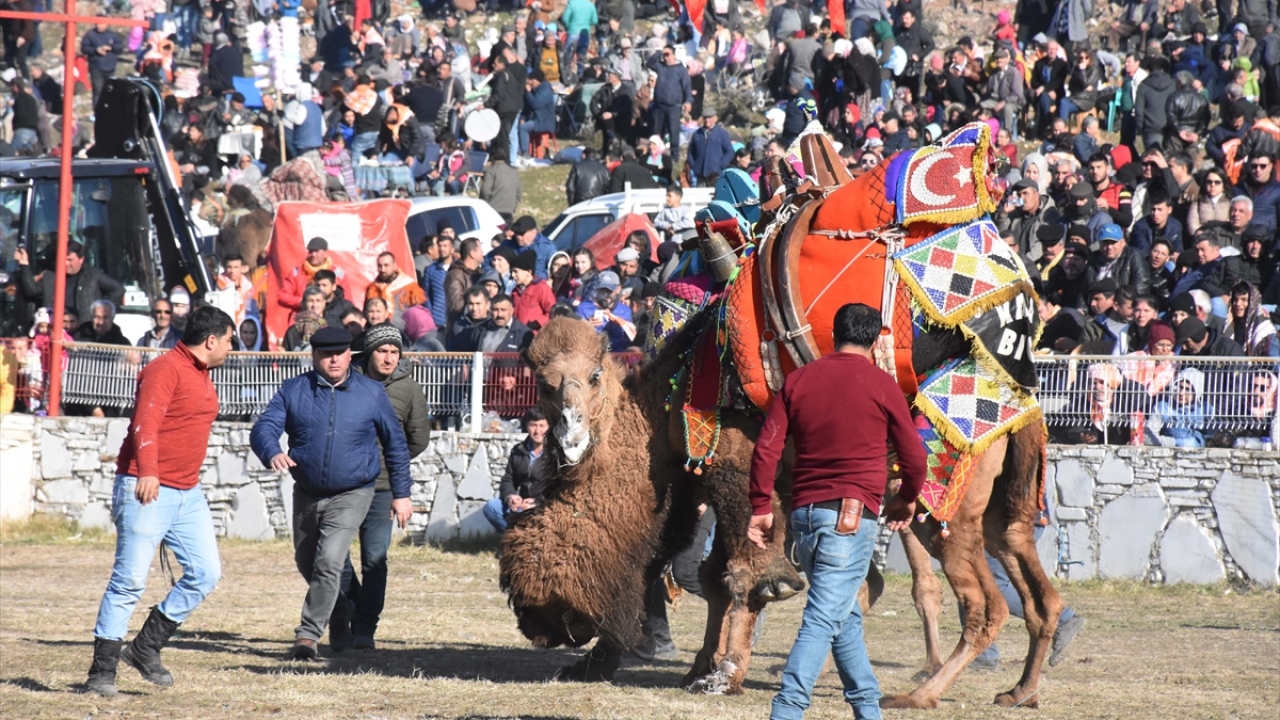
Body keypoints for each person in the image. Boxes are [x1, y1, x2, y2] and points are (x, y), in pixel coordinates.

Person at [747, 303, 924, 720]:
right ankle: (786, 712)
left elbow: (767, 448)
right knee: (824, 617)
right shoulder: (883, 385)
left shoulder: (798, 379)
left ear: (833, 334)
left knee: (843, 618)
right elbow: (915, 457)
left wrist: (760, 505)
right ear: (877, 340)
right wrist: (907, 497)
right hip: (850, 519)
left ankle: (868, 710)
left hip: (805, 516)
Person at [85, 306, 236, 696]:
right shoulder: (164, 369)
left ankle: (145, 647)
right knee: (129, 580)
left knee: (206, 572)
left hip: (187, 492)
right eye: (229, 340)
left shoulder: (201, 372)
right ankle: (102, 672)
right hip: (148, 486)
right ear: (211, 340)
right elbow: (146, 421)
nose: (231, 347)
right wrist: (148, 471)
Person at [250, 327, 413, 661]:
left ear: (350, 355)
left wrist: (402, 494)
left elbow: (396, 444)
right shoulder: (294, 389)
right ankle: (339, 609)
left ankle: (308, 636)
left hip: (354, 491)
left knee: (329, 560)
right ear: (314, 356)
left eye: (340, 353)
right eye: (326, 354)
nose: (334, 360)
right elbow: (264, 427)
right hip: (307, 492)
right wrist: (271, 451)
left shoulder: (371, 393)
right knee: (307, 562)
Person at [336, 325, 430, 651]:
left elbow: (418, 439)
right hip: (344, 484)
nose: (389, 358)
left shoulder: (410, 389)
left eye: (394, 352)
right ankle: (353, 604)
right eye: (382, 351)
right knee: (334, 556)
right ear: (369, 352)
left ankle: (365, 627)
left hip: (383, 487)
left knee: (375, 560)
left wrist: (388, 461)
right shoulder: (347, 380)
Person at [482, 407, 553, 533]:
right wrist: (510, 497)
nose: (537, 431)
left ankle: (525, 539)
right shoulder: (518, 451)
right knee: (491, 507)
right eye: (533, 425)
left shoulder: (555, 454)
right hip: (521, 505)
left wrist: (537, 502)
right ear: (527, 426)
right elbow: (508, 480)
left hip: (544, 506)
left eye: (542, 426)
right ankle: (514, 537)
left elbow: (559, 488)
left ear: (549, 427)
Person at [16, 241, 125, 322]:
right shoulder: (51, 275)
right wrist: (24, 265)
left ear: (81, 259)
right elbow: (32, 291)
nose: (65, 264)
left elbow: (118, 289)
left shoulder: (93, 275)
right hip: (56, 327)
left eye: (70, 260)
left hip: (82, 327)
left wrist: (101, 309)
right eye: (62, 259)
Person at [279, 238, 346, 313]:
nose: (313, 255)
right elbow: (283, 295)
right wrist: (302, 301)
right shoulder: (298, 272)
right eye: (311, 251)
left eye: (317, 251)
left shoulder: (338, 273)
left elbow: (347, 299)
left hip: (331, 315)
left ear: (325, 253)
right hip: (303, 315)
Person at [576, 271, 635, 351]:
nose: (606, 294)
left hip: (618, 354)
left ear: (618, 289)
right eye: (602, 290)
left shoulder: (624, 311)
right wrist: (587, 326)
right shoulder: (584, 308)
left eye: (609, 290)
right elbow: (575, 336)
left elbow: (629, 338)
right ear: (596, 288)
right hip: (591, 352)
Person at [365, 252, 425, 326]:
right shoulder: (373, 288)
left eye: (386, 265)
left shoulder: (409, 286)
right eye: (380, 266)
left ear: (394, 266)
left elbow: (418, 315)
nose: (382, 269)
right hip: (378, 330)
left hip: (402, 330)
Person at [687, 107, 735, 186]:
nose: (707, 120)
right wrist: (694, 165)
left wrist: (721, 164)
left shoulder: (722, 133)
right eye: (705, 118)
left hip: (716, 175)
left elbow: (730, 152)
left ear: (715, 118)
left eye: (709, 118)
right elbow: (691, 152)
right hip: (700, 175)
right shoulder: (697, 134)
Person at [510, 250, 556, 330]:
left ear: (528, 272)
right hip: (517, 333)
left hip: (535, 333)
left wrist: (538, 323)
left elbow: (553, 312)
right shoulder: (515, 291)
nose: (512, 275)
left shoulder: (541, 288)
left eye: (515, 271)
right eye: (511, 271)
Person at [81, 22, 123, 105]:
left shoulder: (112, 35)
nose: (98, 26)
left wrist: (111, 48)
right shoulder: (90, 35)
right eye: (97, 24)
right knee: (98, 90)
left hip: (110, 68)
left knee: (111, 90)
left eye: (101, 24)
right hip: (96, 67)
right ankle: (97, 110)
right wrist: (96, 50)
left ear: (106, 24)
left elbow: (120, 48)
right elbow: (84, 48)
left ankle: (110, 109)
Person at [421, 234, 454, 330]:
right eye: (439, 246)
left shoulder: (459, 267)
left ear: (452, 249)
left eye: (445, 246)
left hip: (457, 319)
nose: (442, 249)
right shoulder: (430, 270)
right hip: (439, 321)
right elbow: (425, 294)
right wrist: (430, 314)